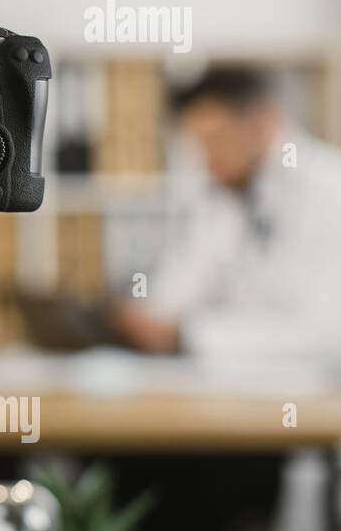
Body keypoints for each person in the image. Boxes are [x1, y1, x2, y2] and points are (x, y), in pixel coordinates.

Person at [109, 66, 341, 365]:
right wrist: (137, 315)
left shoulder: (329, 191)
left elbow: (323, 334)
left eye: (216, 140)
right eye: (199, 145)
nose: (208, 160)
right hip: (230, 390)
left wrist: (188, 335)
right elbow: (182, 284)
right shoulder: (229, 196)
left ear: (262, 122)